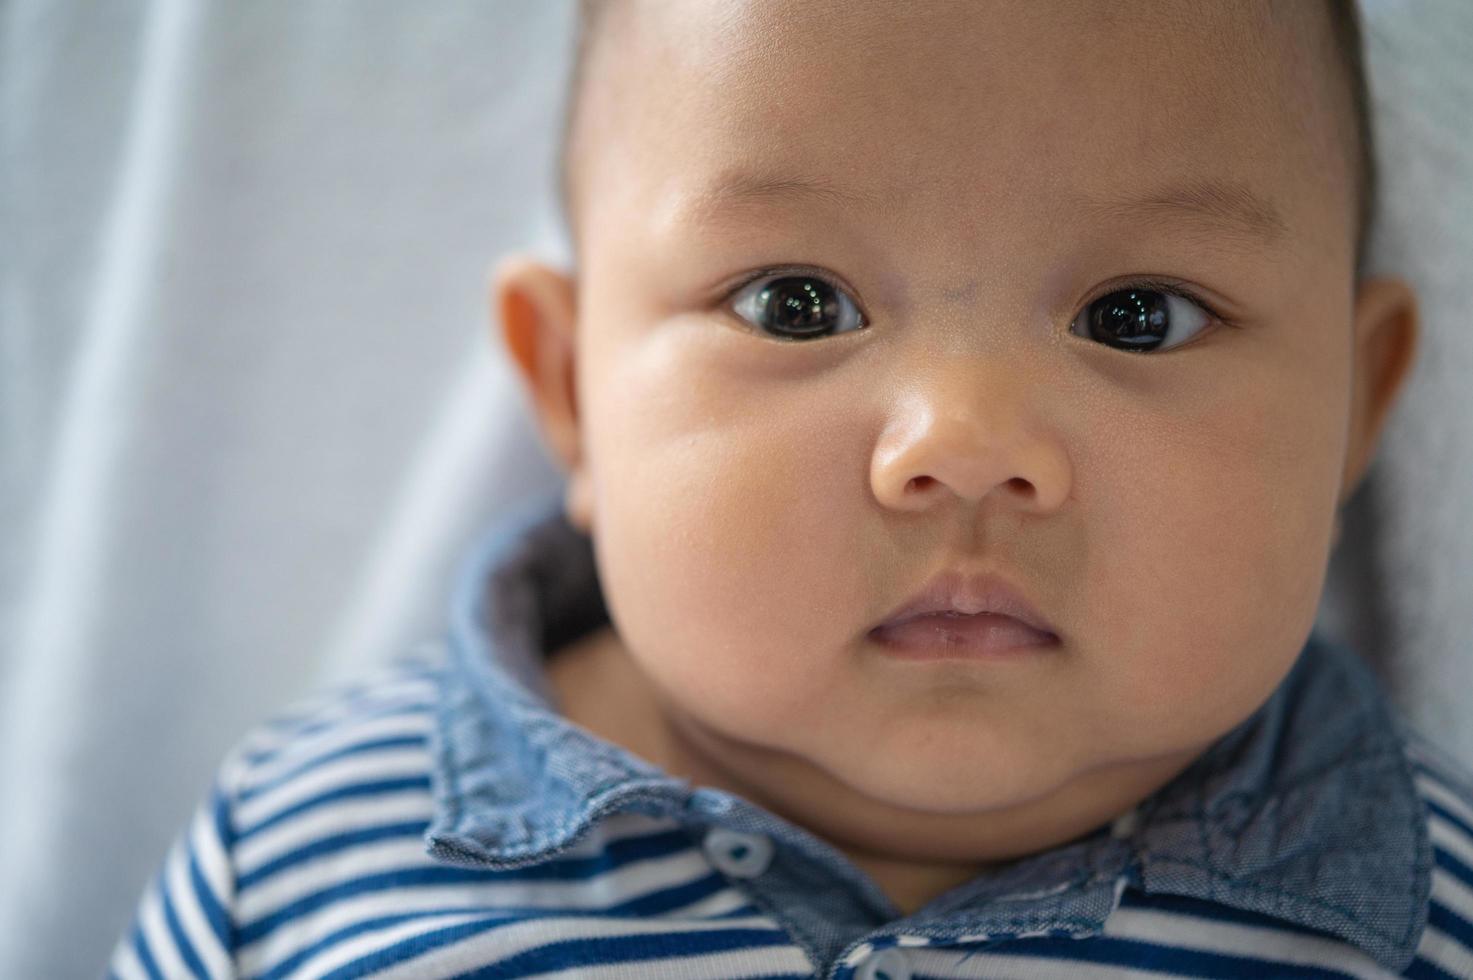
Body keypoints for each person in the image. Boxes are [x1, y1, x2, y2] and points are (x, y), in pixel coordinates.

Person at [107, 1, 1473, 977]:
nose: (963, 442)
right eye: (795, 302)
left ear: (1355, 407)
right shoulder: (301, 858)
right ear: (572, 392)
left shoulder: (1418, 913)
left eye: (1137, 317)